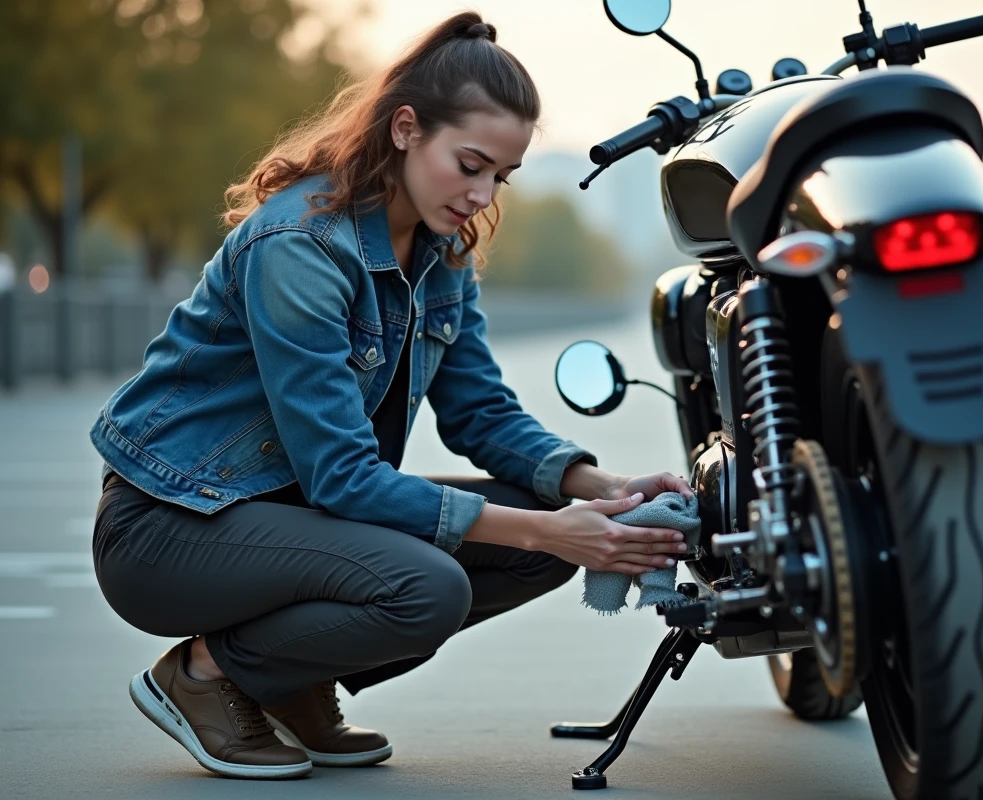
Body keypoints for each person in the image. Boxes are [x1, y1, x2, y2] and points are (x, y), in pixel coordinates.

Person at [89, 12, 692, 781]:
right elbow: (340, 476)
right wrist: (548, 530)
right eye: (469, 165)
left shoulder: (442, 255)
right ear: (406, 129)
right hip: (170, 529)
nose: (481, 195)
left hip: (291, 515)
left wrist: (603, 490)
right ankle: (206, 674)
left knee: (535, 550)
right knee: (433, 585)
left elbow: (481, 413)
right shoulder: (301, 246)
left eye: (500, 177)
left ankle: (286, 680)